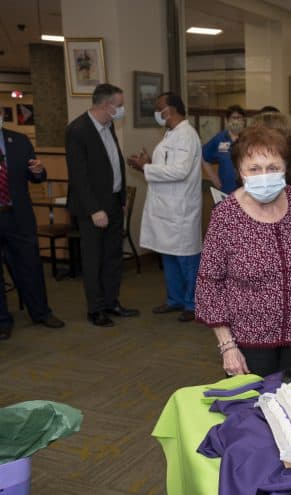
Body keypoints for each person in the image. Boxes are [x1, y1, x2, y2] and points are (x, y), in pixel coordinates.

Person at [196, 126, 291, 376]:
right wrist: (227, 345)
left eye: (273, 168)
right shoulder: (226, 216)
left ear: (286, 169)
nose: (264, 175)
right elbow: (209, 284)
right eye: (254, 169)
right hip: (248, 342)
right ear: (241, 172)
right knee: (254, 411)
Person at [65, 83, 139, 327]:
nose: (122, 110)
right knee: (94, 259)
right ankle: (95, 309)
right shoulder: (78, 130)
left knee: (112, 257)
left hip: (113, 203)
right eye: (119, 105)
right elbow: (79, 176)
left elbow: (112, 164)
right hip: (93, 208)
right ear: (107, 106)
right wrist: (94, 209)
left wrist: (120, 200)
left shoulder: (109, 127)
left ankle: (111, 302)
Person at [127, 92, 202, 322]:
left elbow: (180, 171)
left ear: (170, 110)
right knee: (169, 256)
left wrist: (146, 168)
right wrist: (150, 163)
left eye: (159, 108)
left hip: (180, 210)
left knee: (186, 258)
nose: (157, 113)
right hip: (167, 208)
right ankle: (175, 300)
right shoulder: (171, 133)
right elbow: (169, 166)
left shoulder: (187, 135)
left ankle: (192, 303)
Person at [0, 123, 65, 340]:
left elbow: (37, 174)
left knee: (30, 265)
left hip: (18, 216)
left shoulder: (19, 141)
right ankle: (2, 321)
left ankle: (41, 313)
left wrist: (39, 171)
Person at [201, 105, 245, 194]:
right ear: (227, 120)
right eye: (233, 118)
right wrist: (213, 177)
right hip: (226, 190)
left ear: (244, 120)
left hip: (245, 190)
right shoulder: (219, 139)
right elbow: (202, 155)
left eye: (239, 118)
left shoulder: (248, 138)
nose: (236, 121)